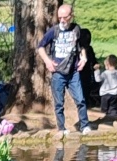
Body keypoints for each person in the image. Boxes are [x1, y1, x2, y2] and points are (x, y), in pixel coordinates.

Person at [38, 5, 90, 133]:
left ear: (71, 16)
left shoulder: (76, 29)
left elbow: (81, 45)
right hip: (58, 73)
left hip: (74, 72)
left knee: (80, 100)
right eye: (59, 17)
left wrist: (83, 58)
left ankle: (85, 126)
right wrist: (47, 61)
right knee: (59, 103)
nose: (62, 20)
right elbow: (40, 47)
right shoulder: (53, 31)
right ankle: (61, 128)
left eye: (65, 17)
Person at [96, 55, 117, 119]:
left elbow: (98, 79)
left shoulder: (105, 73)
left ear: (107, 64)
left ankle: (105, 118)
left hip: (105, 94)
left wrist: (97, 71)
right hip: (114, 94)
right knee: (113, 107)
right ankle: (112, 118)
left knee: (104, 108)